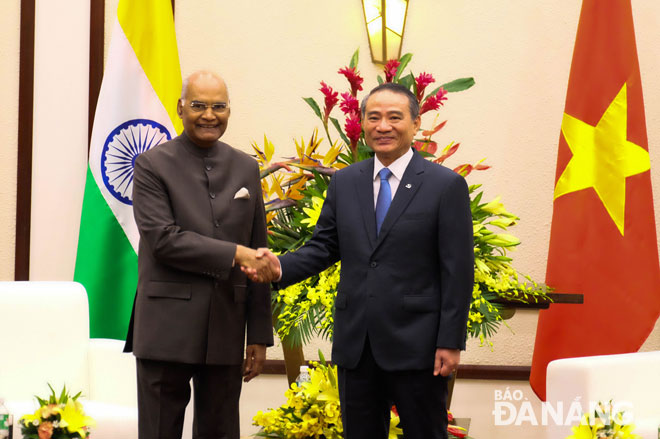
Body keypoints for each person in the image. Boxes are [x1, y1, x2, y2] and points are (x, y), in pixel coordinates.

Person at [244, 82, 474, 439]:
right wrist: (279, 267)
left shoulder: (445, 186)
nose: (383, 126)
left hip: (419, 347)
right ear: (363, 124)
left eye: (395, 117)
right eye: (374, 117)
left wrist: (450, 340)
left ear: (415, 125)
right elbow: (324, 246)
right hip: (357, 345)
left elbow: (457, 270)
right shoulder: (345, 182)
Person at [123, 71, 275, 439]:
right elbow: (164, 240)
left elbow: (258, 251)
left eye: (219, 106)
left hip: (226, 325)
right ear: (180, 108)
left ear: (229, 110)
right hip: (166, 327)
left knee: (221, 432)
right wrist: (235, 253)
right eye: (199, 105)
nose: (210, 115)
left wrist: (258, 333)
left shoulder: (246, 167)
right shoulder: (151, 165)